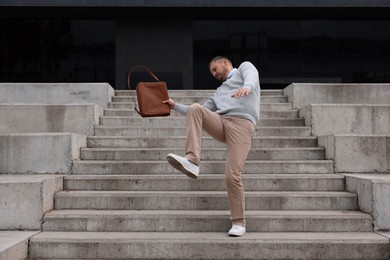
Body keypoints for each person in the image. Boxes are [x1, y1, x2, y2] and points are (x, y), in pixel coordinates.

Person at [162, 56, 260, 237]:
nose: (214, 74)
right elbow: (198, 110)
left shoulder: (243, 69)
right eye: (212, 72)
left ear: (224, 62)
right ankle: (192, 160)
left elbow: (252, 75)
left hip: (242, 125)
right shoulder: (219, 92)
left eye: (215, 69)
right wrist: (174, 106)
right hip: (222, 123)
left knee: (232, 175)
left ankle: (239, 222)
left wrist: (247, 87)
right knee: (195, 108)